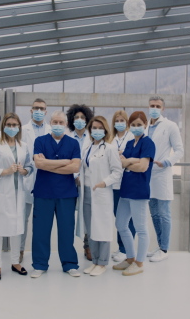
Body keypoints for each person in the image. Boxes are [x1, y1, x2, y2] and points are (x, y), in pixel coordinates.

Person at [0, 113, 34, 282]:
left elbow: (29, 166)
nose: (12, 128)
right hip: (1, 194)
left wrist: (24, 171)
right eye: (9, 125)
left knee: (16, 229)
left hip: (18, 194)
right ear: (4, 126)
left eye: (15, 125)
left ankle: (15, 263)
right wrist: (4, 171)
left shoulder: (23, 146)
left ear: (19, 127)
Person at [30, 111, 81, 278]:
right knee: (40, 230)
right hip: (43, 192)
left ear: (66, 125)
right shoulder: (40, 141)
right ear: (50, 123)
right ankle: (39, 264)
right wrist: (64, 162)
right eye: (55, 122)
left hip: (66, 194)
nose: (58, 125)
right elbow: (38, 164)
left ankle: (69, 264)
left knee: (66, 230)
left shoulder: (73, 143)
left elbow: (75, 167)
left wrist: (48, 164)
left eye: (61, 122)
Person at [76, 116, 122, 276]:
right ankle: (94, 261)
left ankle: (102, 262)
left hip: (101, 192)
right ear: (90, 130)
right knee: (91, 229)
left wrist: (104, 182)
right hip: (87, 192)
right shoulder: (87, 148)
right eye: (94, 128)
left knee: (102, 227)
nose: (96, 131)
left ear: (105, 130)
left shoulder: (109, 149)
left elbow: (118, 172)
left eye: (99, 128)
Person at [113, 111, 155, 276]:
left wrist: (128, 162)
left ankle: (139, 262)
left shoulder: (148, 143)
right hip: (126, 189)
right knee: (120, 224)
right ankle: (130, 258)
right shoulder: (130, 143)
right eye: (133, 125)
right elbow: (120, 162)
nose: (136, 127)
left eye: (139, 124)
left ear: (145, 125)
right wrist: (132, 161)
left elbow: (143, 167)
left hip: (139, 190)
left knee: (141, 228)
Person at [146, 96, 184, 262]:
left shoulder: (170, 126)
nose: (154, 108)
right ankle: (159, 245)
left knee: (164, 213)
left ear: (163, 108)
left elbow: (179, 150)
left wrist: (167, 162)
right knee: (154, 213)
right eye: (152, 105)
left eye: (157, 106)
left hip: (162, 174)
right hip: (147, 175)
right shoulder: (146, 126)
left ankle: (164, 248)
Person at [20, 98, 51, 263]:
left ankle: (39, 255)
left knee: (41, 222)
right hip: (26, 177)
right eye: (36, 108)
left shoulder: (51, 130)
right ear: (30, 110)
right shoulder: (23, 130)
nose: (38, 111)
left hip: (45, 178)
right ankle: (19, 249)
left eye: (42, 108)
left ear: (46, 112)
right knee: (22, 218)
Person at [66, 104, 94, 260]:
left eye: (83, 118)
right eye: (76, 117)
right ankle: (68, 249)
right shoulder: (67, 138)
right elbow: (66, 160)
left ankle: (88, 246)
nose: (79, 120)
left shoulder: (92, 138)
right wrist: (75, 175)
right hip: (70, 180)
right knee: (68, 216)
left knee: (87, 215)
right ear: (71, 120)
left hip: (88, 182)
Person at [109, 110, 136, 263]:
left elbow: (133, 157)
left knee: (128, 219)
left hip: (128, 182)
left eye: (122, 120)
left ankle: (127, 250)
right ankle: (121, 248)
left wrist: (121, 154)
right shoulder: (111, 138)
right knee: (119, 217)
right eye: (117, 120)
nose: (119, 123)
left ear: (127, 122)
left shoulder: (132, 137)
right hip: (114, 184)